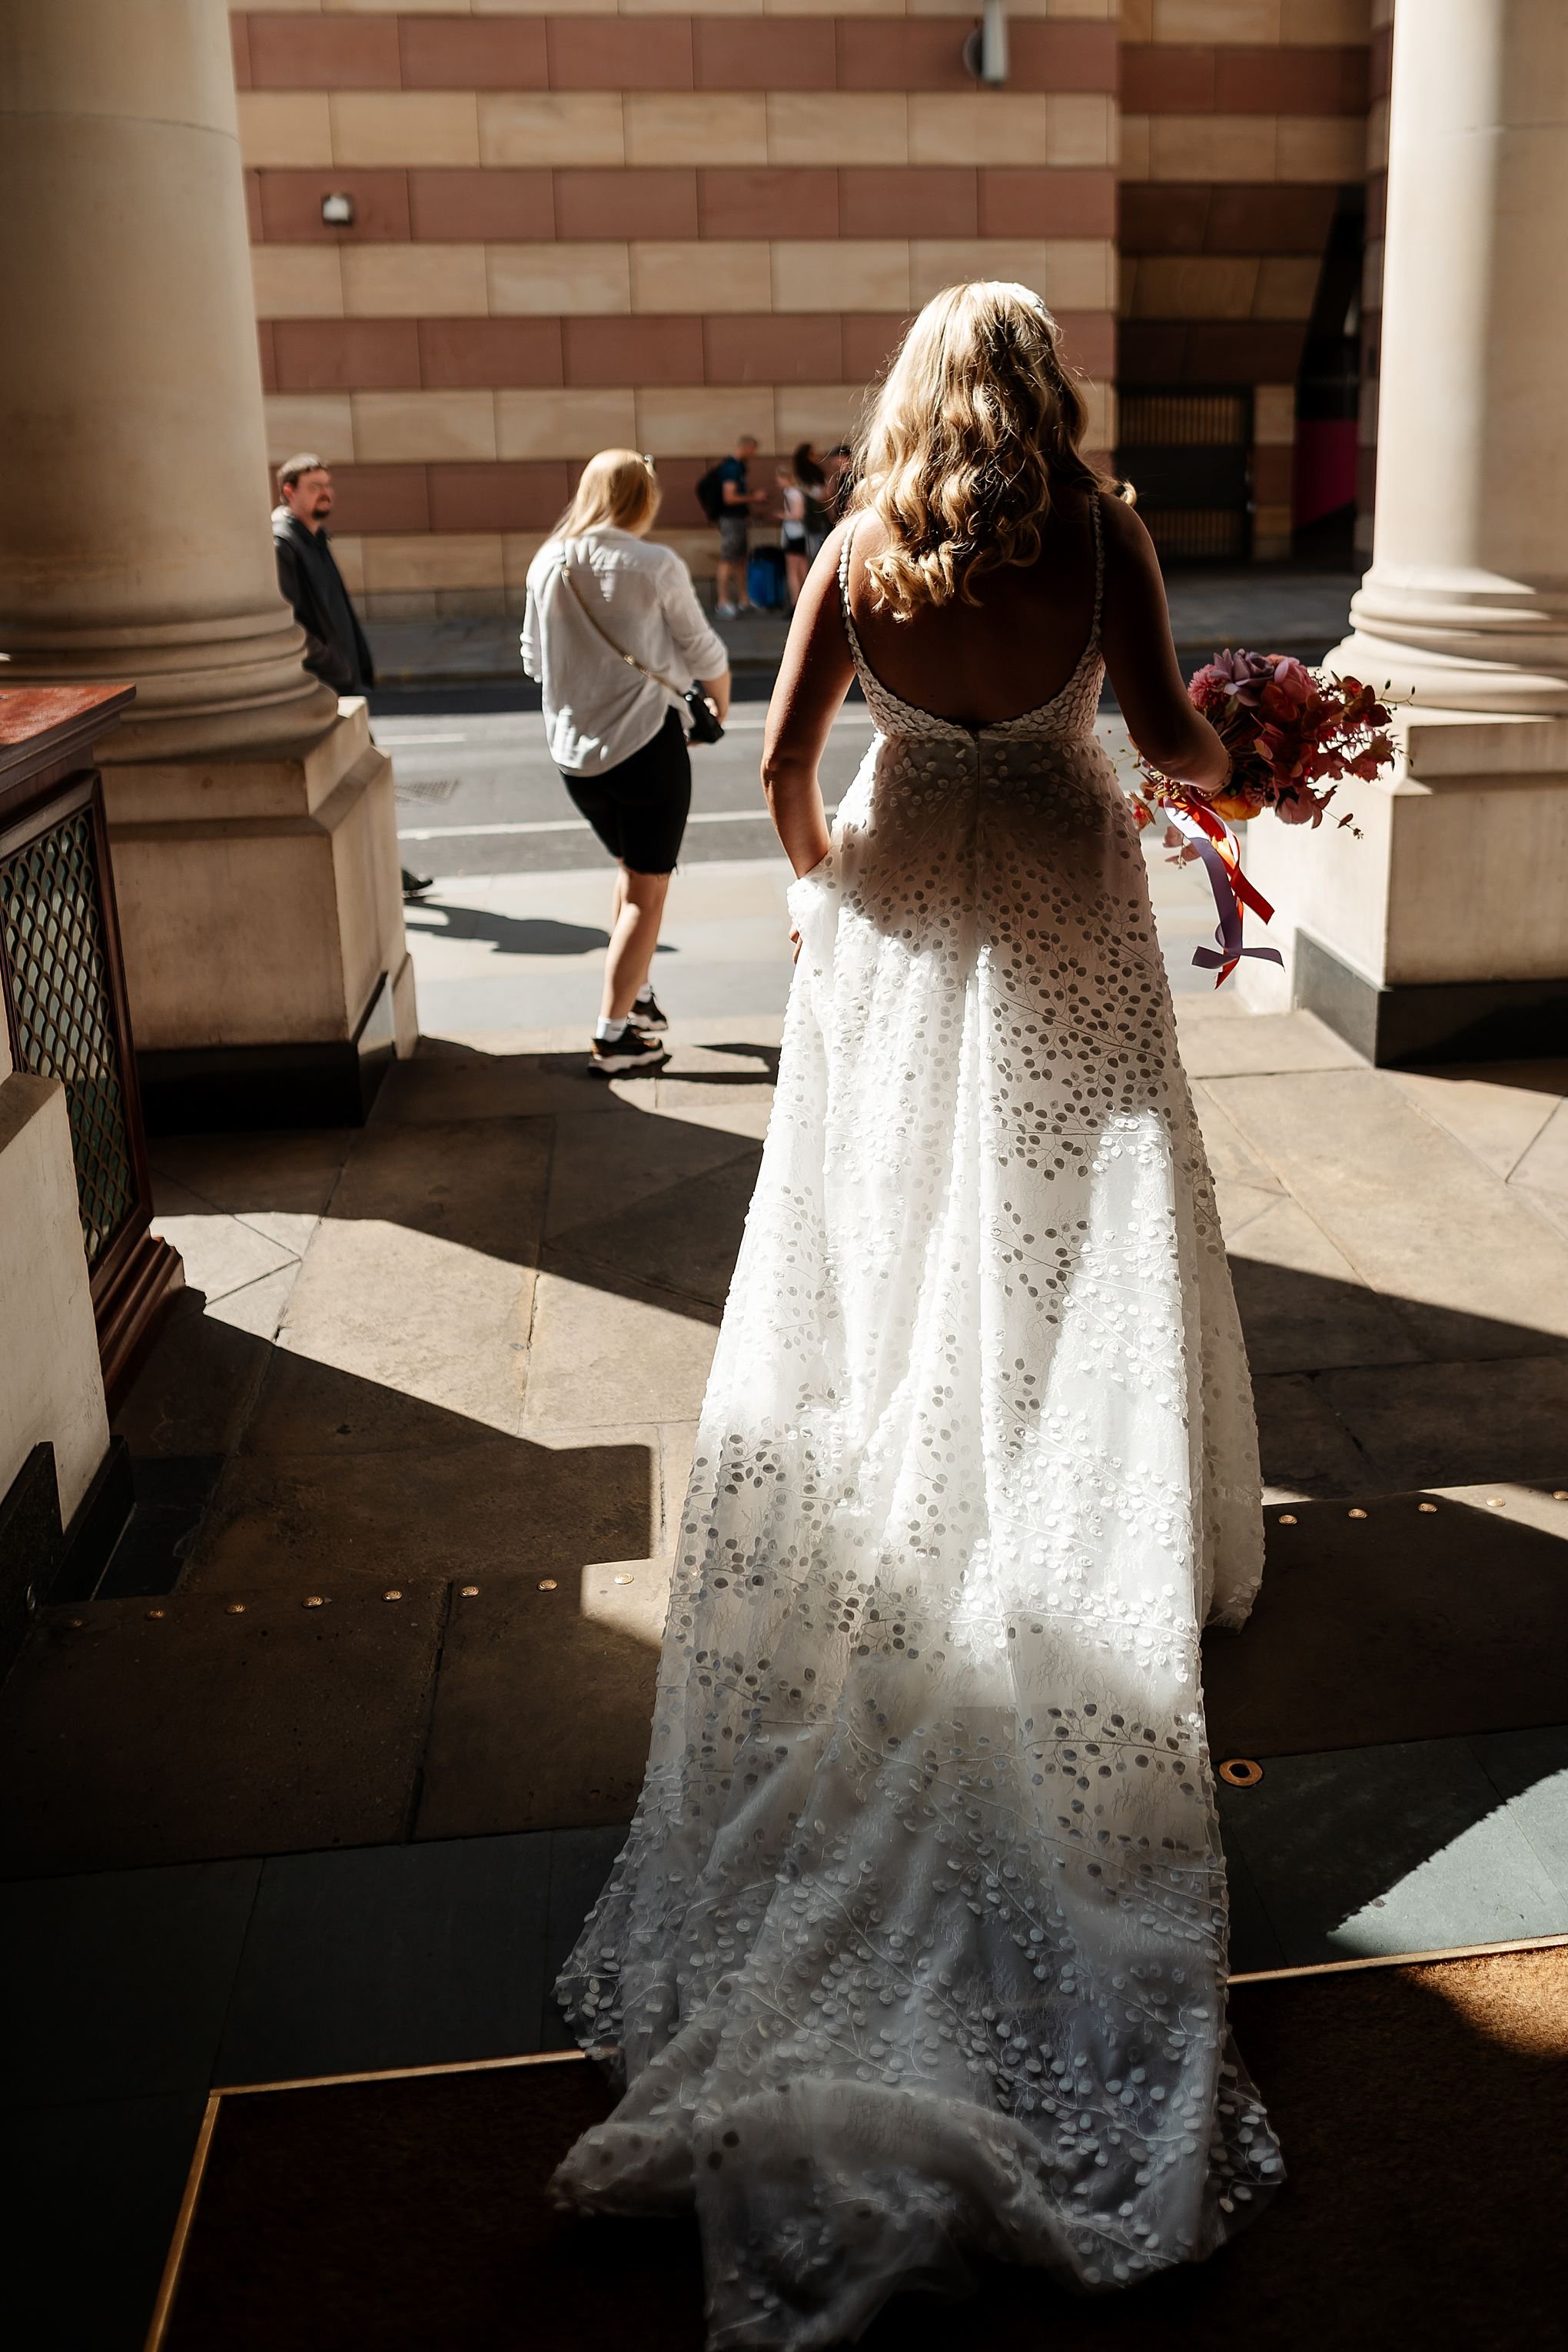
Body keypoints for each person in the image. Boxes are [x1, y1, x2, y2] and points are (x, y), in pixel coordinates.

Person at [551, 284, 1280, 2340]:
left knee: (887, 1231)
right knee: (1071, 1214)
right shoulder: (1102, 534)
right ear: (1047, 395)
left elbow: (788, 768)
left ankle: (922, 1474)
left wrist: (824, 901)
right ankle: (1055, 1479)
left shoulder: (862, 547)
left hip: (900, 890)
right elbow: (1166, 740)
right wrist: (1254, 732)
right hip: (1058, 881)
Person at [522, 450, 730, 1074]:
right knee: (649, 890)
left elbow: (534, 661)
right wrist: (718, 711)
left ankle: (636, 996)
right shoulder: (654, 563)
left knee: (630, 869)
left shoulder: (547, 561)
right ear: (645, 499)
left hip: (574, 756)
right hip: (645, 747)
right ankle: (613, 1038)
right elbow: (704, 650)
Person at [271, 452, 431, 904]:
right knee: (363, 777)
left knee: (364, 779)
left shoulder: (313, 539)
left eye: (327, 484)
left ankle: (385, 873)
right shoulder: (284, 544)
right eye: (314, 485)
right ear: (289, 491)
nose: (325, 492)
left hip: (342, 682)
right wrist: (333, 664)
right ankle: (384, 875)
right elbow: (289, 624)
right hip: (323, 686)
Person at [714, 433, 763, 616]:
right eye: (753, 450)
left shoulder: (739, 467)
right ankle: (722, 601)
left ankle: (744, 599)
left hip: (738, 518)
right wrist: (753, 498)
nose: (754, 455)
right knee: (728, 558)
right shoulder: (731, 468)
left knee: (740, 558)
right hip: (731, 519)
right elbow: (730, 497)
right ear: (746, 447)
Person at [776, 461, 809, 607]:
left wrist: (783, 516)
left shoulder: (791, 493)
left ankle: (795, 601)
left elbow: (798, 514)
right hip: (800, 534)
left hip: (793, 534)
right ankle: (806, 599)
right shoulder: (798, 491)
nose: (777, 481)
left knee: (793, 570)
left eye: (779, 478)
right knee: (802, 568)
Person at [792, 440, 832, 560]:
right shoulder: (803, 476)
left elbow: (826, 493)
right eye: (811, 454)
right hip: (811, 516)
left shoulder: (817, 472)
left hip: (819, 515)